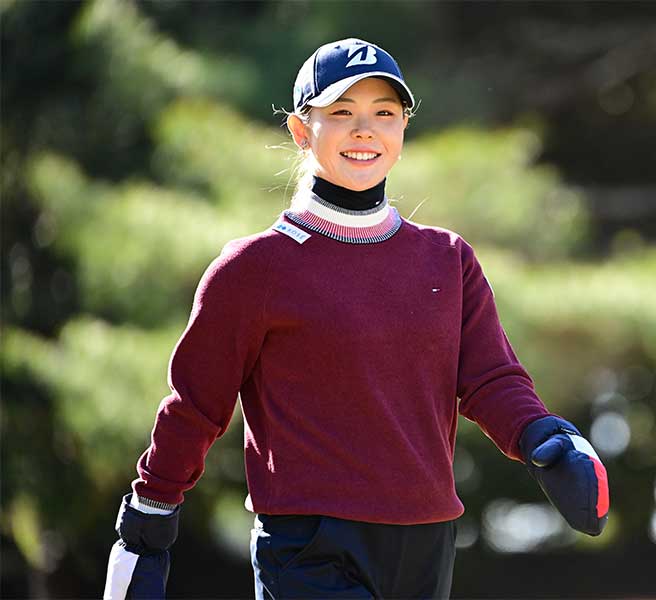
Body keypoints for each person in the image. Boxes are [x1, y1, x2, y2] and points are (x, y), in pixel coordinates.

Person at [103, 38, 609, 600]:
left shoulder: (446, 258)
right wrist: (147, 525)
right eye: (342, 113)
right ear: (301, 131)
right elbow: (195, 406)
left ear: (402, 131)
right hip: (309, 545)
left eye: (384, 114)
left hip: (427, 540)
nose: (364, 130)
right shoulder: (255, 268)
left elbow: (490, 379)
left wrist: (545, 438)